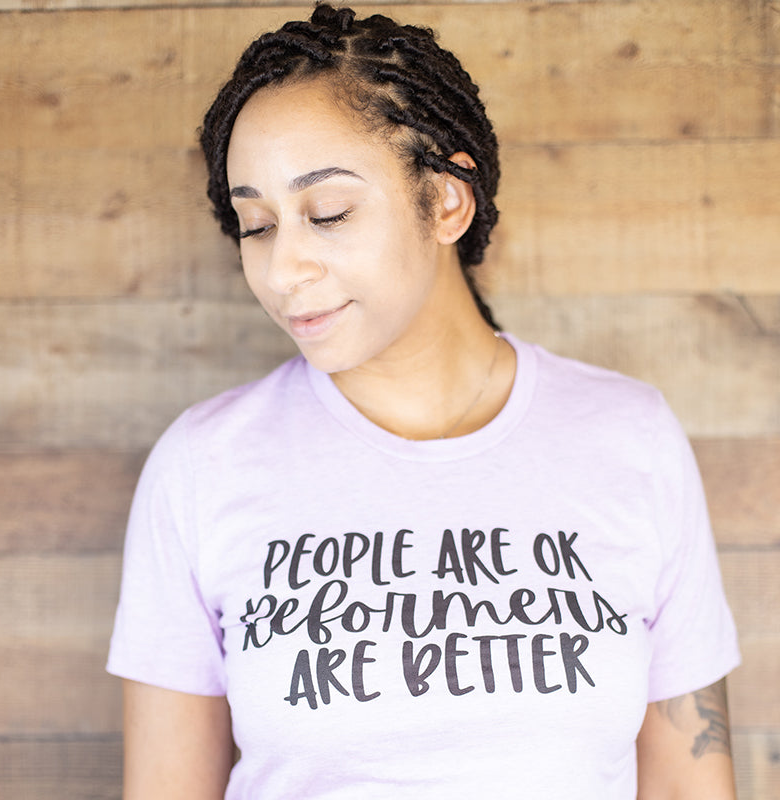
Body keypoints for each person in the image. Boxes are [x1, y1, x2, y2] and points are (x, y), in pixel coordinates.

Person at [107, 5, 741, 798]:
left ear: (446, 201)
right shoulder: (203, 464)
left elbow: (689, 782)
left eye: (328, 214)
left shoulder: (629, 438)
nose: (281, 270)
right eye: (256, 225)